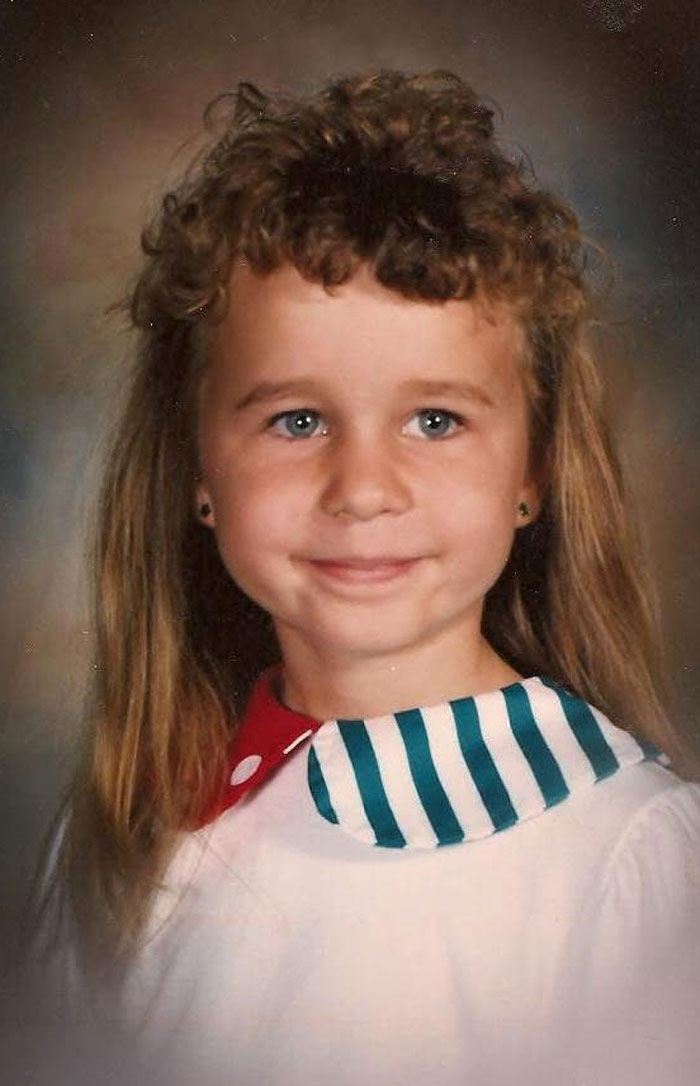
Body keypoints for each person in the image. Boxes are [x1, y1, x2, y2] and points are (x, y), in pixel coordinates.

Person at [26, 70, 700, 1085]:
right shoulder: (127, 834)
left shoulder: (627, 858)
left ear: (532, 473)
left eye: (435, 420)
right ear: (198, 471)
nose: (364, 490)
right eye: (296, 420)